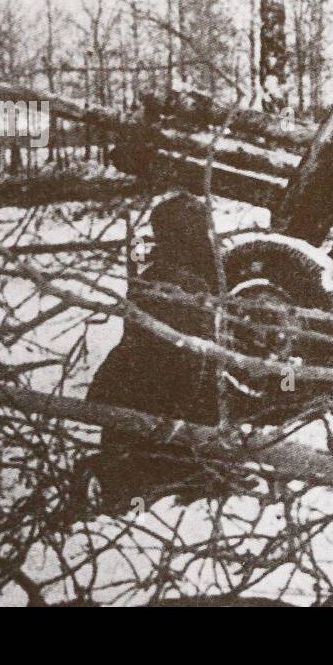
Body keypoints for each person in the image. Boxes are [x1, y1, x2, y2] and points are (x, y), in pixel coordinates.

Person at [84, 192, 246, 511]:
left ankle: (156, 475)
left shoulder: (163, 275)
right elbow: (186, 356)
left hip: (144, 387)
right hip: (164, 391)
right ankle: (163, 476)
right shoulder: (184, 280)